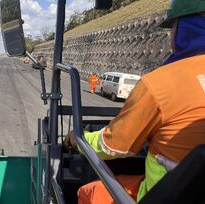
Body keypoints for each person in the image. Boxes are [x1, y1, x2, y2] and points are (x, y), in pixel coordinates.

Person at [68, 1, 205, 203]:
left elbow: (113, 147)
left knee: (89, 192)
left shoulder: (160, 84)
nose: (170, 37)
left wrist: (78, 139)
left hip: (162, 194)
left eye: (173, 28)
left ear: (186, 28)